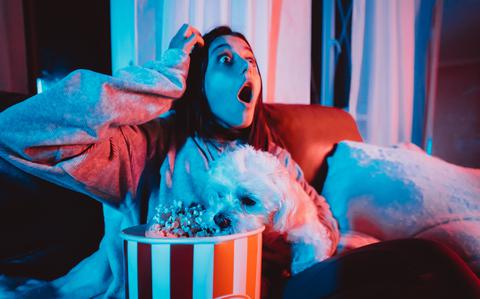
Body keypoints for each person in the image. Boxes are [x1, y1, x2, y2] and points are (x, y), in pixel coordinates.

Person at [1, 24, 479, 299]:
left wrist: (279, 241)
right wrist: (160, 78)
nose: (246, 69)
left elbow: (323, 227)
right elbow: (20, 134)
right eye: (225, 61)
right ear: (193, 79)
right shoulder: (147, 150)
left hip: (279, 288)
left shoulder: (274, 157)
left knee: (430, 264)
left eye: (250, 62)